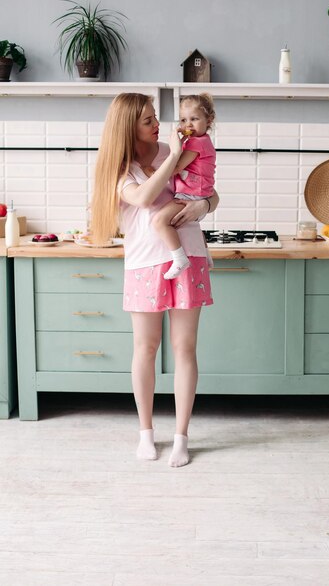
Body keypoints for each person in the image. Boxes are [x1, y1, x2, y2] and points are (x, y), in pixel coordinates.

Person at [90, 93, 219, 468]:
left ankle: (181, 437)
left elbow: (211, 191)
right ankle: (146, 433)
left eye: (155, 117)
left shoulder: (172, 148)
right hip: (145, 263)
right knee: (145, 349)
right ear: (128, 127)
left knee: (184, 349)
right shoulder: (120, 170)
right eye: (148, 120)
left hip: (189, 255)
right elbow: (146, 197)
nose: (158, 124)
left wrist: (204, 205)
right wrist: (174, 159)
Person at [152, 93, 216, 279]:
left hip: (192, 195)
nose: (188, 125)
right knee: (192, 224)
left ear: (209, 120)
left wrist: (174, 150)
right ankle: (207, 256)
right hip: (198, 193)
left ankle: (179, 258)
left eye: (194, 119)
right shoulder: (199, 141)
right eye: (183, 119)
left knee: (160, 221)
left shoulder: (197, 143)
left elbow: (176, 167)